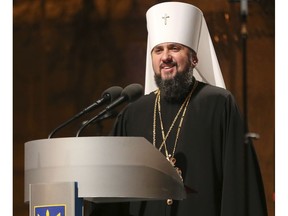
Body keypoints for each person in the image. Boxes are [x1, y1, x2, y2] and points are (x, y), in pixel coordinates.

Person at [110, 2, 268, 216]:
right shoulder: (133, 114)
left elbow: (238, 186)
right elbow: (113, 190)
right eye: (158, 50)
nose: (165, 57)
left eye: (174, 48)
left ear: (194, 58)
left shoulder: (219, 104)